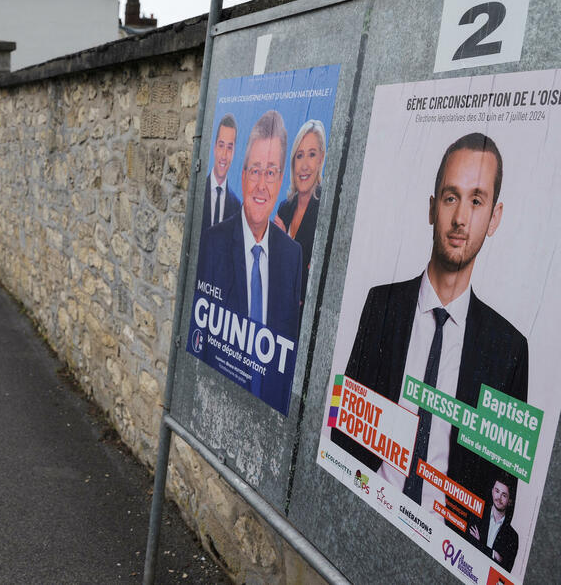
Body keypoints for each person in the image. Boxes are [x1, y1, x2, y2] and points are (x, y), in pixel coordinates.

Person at [331, 133, 528, 534]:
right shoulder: (381, 306)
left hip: (447, 546)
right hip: (368, 512)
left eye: (477, 201)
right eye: (451, 197)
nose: (460, 219)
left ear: (495, 218)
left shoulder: (509, 350)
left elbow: (501, 487)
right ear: (431, 207)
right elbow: (346, 428)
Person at [196, 109, 303, 345]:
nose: (262, 185)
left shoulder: (291, 256)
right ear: (243, 176)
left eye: (271, 172)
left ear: (282, 178)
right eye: (255, 171)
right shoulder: (214, 243)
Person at [273, 119, 326, 303]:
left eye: (311, 154)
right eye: (299, 155)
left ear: (321, 158)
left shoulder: (324, 211)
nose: (304, 165)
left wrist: (284, 246)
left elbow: (314, 279)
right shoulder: (285, 207)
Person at [201, 113, 242, 234]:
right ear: (214, 148)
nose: (224, 155)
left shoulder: (236, 205)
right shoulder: (199, 191)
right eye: (221, 145)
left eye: (229, 148)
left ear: (234, 152)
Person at [468, 478, 519, 572]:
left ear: (510, 501)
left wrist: (479, 544)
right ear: (492, 491)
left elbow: (505, 570)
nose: (499, 498)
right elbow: (468, 545)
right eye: (497, 491)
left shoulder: (513, 536)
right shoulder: (476, 515)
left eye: (504, 495)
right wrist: (494, 554)